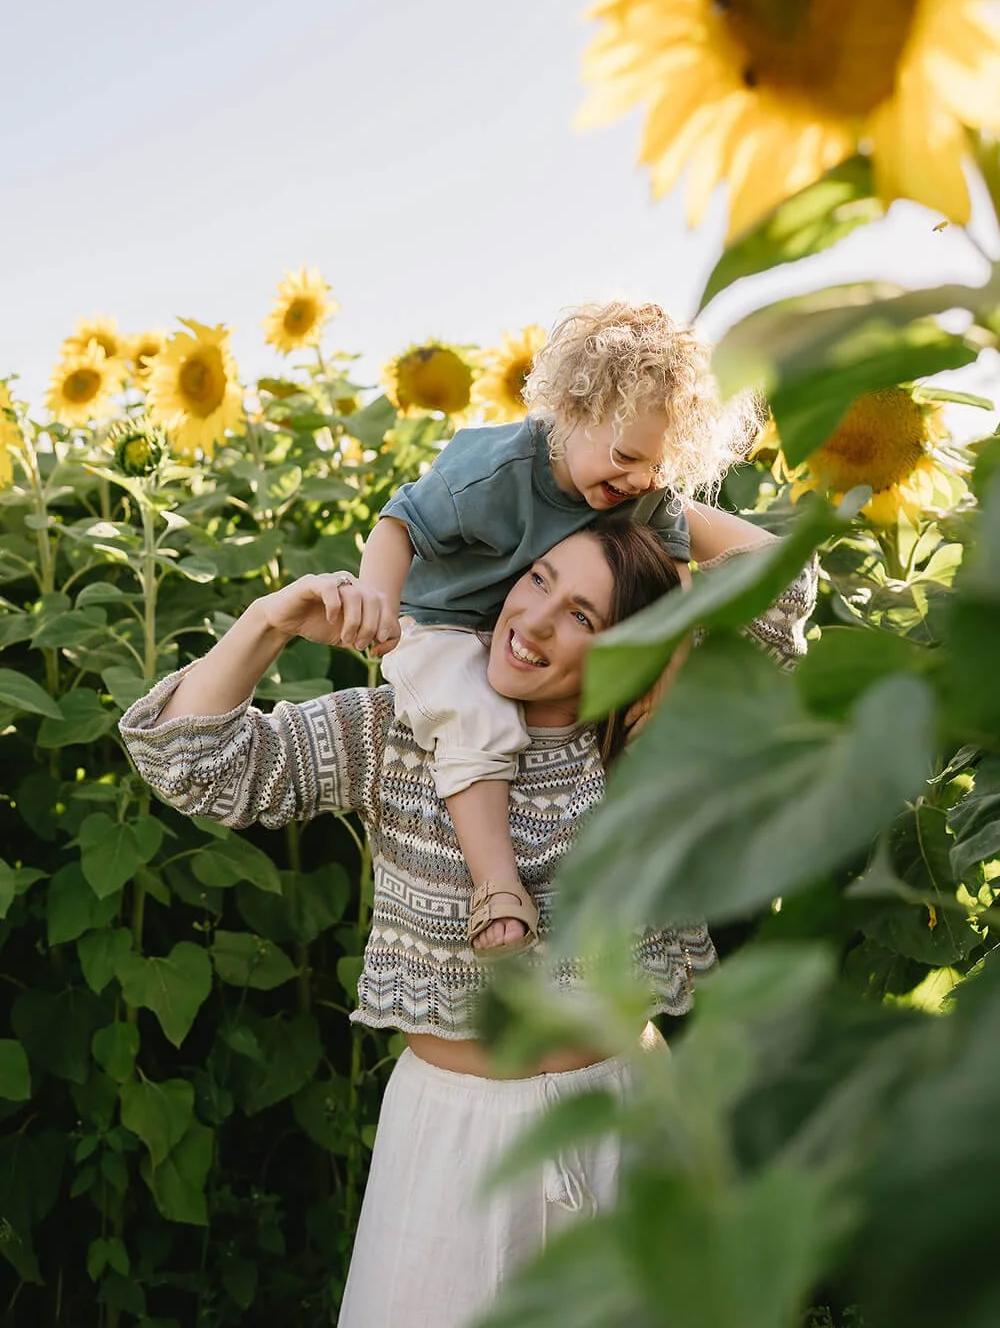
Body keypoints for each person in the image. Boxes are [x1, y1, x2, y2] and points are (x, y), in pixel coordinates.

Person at [119, 512, 815, 1328]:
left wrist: (649, 491)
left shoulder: (649, 739)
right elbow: (192, 764)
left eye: (583, 617)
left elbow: (781, 581)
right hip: (454, 1143)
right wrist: (270, 622)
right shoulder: (401, 727)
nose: (536, 621)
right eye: (539, 578)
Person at [345, 302, 752, 956]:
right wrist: (378, 601)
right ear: (572, 409)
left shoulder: (639, 488)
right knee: (475, 721)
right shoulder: (494, 469)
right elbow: (398, 525)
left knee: (634, 730)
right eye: (625, 457)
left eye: (657, 468)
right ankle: (496, 885)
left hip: (537, 638)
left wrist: (662, 676)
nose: (639, 482)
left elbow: (673, 586)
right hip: (445, 623)